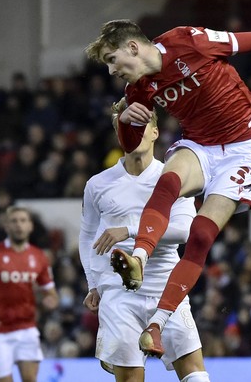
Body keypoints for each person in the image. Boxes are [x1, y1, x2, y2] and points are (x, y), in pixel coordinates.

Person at [85, 19, 251, 356]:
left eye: (112, 60)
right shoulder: (137, 91)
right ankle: (139, 256)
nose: (112, 71)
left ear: (133, 47)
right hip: (199, 145)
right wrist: (126, 123)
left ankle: (157, 324)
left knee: (200, 235)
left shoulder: (190, 41)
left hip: (242, 150)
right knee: (167, 182)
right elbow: (130, 145)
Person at [79, 98, 209, 382]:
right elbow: (87, 235)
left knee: (196, 376)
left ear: (155, 132)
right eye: (127, 127)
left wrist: (129, 230)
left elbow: (183, 230)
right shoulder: (97, 184)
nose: (135, 132)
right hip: (118, 292)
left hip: (166, 285)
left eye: (142, 126)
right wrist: (93, 283)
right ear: (119, 134)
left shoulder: (173, 177)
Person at [0, 206, 59, 382]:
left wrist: (50, 301)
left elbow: (51, 293)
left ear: (30, 226)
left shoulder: (39, 257)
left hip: (27, 328)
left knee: (31, 379)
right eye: (14, 221)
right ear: (6, 226)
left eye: (23, 221)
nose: (18, 225)